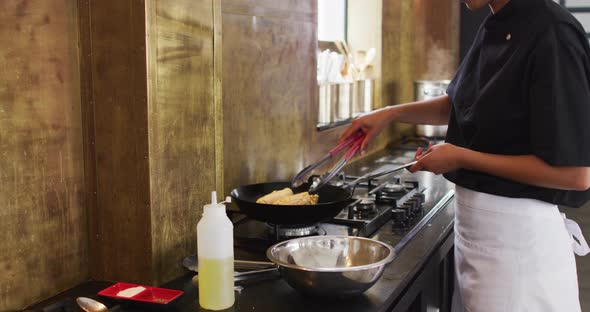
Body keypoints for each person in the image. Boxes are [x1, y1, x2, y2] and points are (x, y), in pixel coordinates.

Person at [339, 0, 590, 310]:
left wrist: (461, 157)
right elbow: (458, 104)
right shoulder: (494, 24)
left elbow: (575, 175)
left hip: (520, 251)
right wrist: (388, 114)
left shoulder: (554, 31)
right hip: (476, 239)